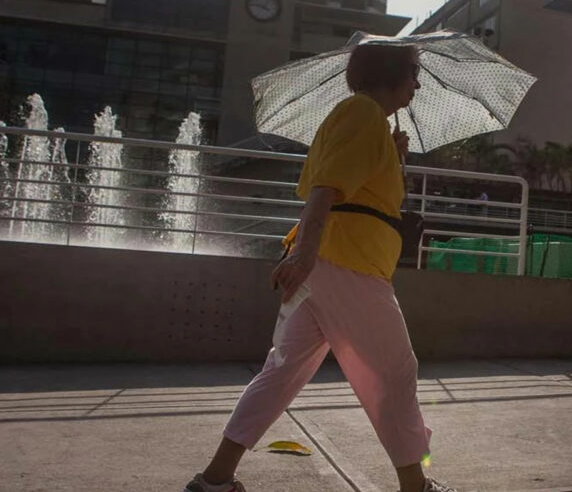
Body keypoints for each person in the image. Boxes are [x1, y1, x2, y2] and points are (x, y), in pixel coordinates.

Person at [184, 43, 456, 492]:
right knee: (395, 372)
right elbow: (326, 189)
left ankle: (216, 478)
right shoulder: (363, 114)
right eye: (413, 72)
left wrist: (390, 154)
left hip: (327, 266)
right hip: (347, 264)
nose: (418, 83)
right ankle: (415, 486)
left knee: (281, 372)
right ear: (390, 73)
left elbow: (354, 188)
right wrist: (305, 254)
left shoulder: (363, 120)